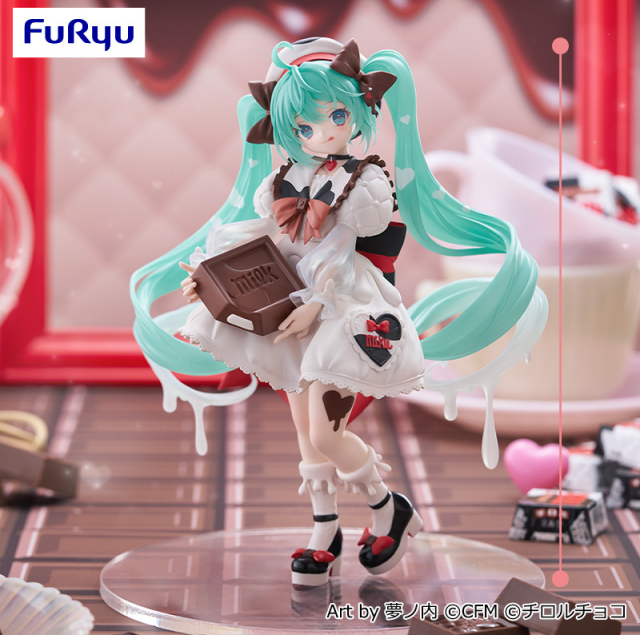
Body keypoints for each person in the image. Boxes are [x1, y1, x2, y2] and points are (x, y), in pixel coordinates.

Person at [131, 38, 545, 587]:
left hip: (345, 305)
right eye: (304, 126)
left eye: (337, 116)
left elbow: (341, 250)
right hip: (291, 301)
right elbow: (261, 237)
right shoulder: (283, 180)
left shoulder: (364, 180)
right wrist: (208, 275)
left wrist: (319, 302)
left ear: (358, 109)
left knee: (327, 433)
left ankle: (388, 508)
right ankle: (324, 531)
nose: (323, 133)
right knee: (307, 433)